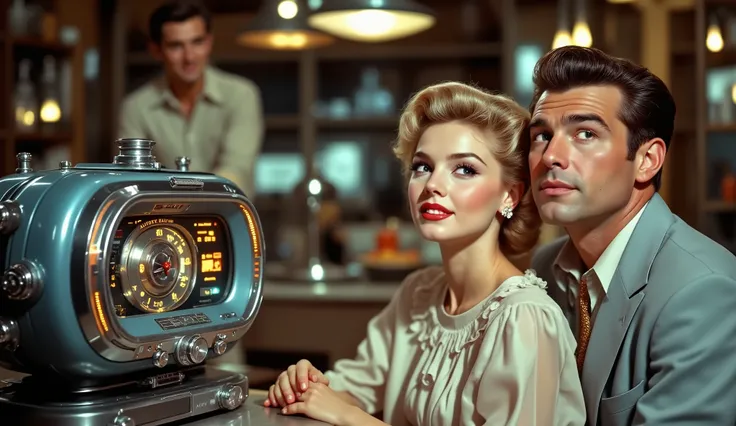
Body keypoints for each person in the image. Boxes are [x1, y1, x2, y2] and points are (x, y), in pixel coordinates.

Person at [263, 82, 587, 425]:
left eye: (465, 169)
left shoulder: (525, 319)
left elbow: (344, 410)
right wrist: (306, 385)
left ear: (510, 195)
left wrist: (348, 417)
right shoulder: (418, 294)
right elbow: (354, 387)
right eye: (422, 166)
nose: (432, 184)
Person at [528, 46, 736, 426]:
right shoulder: (545, 268)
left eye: (585, 133)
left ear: (647, 160)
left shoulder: (704, 292)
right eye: (541, 135)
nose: (550, 156)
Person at [118, 0, 263, 196]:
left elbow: (237, 169)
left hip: (229, 216)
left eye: (197, 42)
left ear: (209, 42)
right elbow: (133, 180)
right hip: (163, 221)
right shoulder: (136, 107)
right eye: (176, 46)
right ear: (156, 51)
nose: (189, 57)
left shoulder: (241, 95)